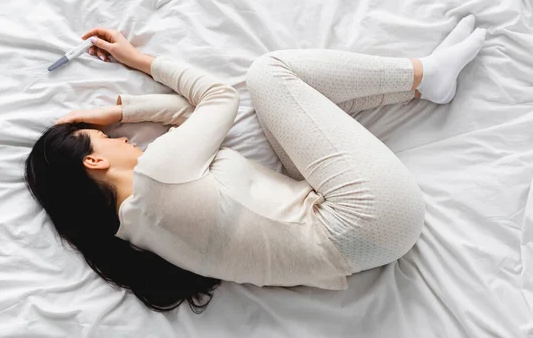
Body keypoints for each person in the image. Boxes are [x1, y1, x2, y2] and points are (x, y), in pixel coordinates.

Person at [24, 16, 486, 313]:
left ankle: (426, 86)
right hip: (372, 215)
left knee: (286, 108)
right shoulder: (157, 175)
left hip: (360, 244)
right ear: (96, 159)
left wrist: (126, 111)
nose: (126, 139)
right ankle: (422, 73)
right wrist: (136, 66)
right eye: (110, 137)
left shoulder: (140, 232)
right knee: (270, 73)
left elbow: (196, 120)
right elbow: (219, 97)